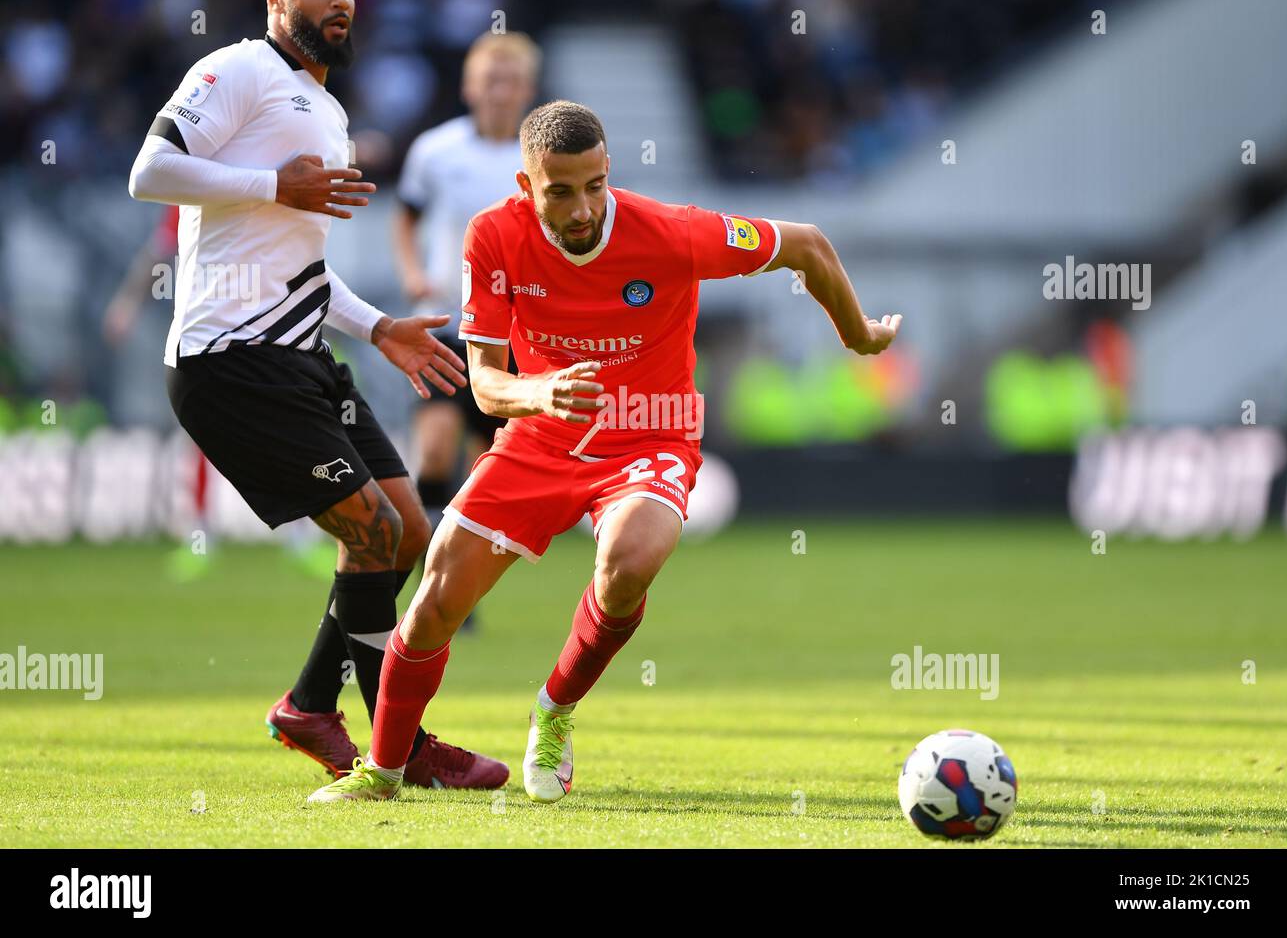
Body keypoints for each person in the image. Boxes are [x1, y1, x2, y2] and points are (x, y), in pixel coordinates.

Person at [308, 100, 901, 805]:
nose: (583, 207)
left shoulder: (672, 233)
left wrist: (857, 333)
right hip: (539, 434)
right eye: (561, 190)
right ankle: (383, 770)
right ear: (527, 188)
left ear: (608, 170)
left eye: (595, 185)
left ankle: (554, 711)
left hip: (652, 434)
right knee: (436, 597)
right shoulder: (494, 236)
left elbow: (804, 242)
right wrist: (541, 395)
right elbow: (488, 384)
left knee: (631, 560)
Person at [127, 0, 506, 791]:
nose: (340, 1)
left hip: (301, 356)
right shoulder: (236, 70)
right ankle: (399, 748)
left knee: (405, 531)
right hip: (229, 361)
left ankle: (309, 704)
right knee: (370, 531)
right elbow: (149, 171)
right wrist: (276, 187)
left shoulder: (325, 112)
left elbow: (299, 268)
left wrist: (380, 330)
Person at [392, 32, 539, 603]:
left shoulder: (538, 156)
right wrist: (411, 271)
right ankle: (430, 569)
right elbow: (405, 217)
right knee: (433, 448)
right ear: (469, 86)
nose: (500, 92)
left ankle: (459, 589)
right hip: (446, 323)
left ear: (528, 89)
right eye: (490, 79)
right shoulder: (435, 150)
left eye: (512, 81)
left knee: (486, 468)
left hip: (513, 333)